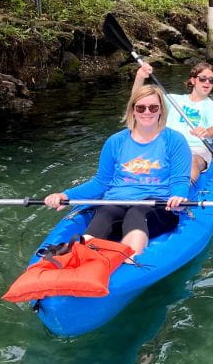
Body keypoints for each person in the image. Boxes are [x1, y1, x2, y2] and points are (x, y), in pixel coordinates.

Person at [44, 85, 190, 257]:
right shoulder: (115, 142)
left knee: (137, 213)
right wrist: (66, 196)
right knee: (106, 212)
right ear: (133, 111)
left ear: (161, 111)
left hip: (156, 205)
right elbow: (100, 182)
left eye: (153, 107)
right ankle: (80, 259)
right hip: (117, 200)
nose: (147, 112)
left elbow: (180, 180)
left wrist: (178, 196)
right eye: (141, 107)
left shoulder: (175, 140)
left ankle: (130, 259)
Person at [132, 61, 213, 184]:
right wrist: (140, 77)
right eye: (203, 78)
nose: (207, 82)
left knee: (191, 162)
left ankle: (182, 192)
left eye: (211, 80)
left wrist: (206, 132)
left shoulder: (211, 107)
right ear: (193, 80)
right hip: (168, 146)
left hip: (195, 148)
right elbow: (138, 99)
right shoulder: (173, 100)